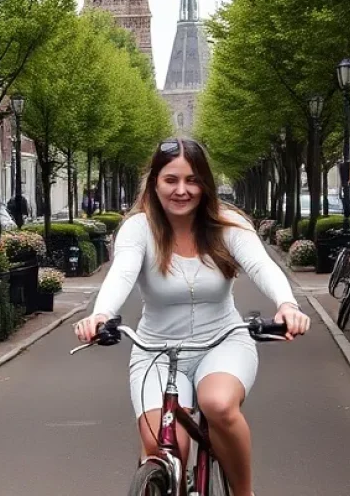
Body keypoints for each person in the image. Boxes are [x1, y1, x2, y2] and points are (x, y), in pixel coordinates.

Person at [72, 137, 309, 496]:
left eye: (192, 180)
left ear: (205, 184)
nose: (181, 190)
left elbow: (263, 266)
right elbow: (121, 274)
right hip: (156, 350)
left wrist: (287, 305)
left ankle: (244, 493)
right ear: (154, 182)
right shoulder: (139, 229)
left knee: (218, 405)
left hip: (223, 342)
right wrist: (101, 314)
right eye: (171, 180)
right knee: (165, 448)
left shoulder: (229, 226)